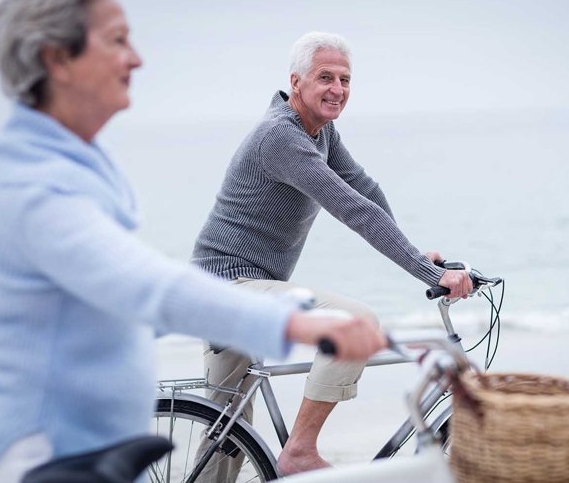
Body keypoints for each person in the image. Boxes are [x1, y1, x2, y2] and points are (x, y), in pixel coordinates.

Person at [0, 0, 386, 482]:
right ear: (56, 59)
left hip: (89, 453)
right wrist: (294, 323)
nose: (137, 58)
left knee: (223, 446)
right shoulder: (37, 185)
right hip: (42, 463)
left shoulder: (76, 165)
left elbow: (109, 311)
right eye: (117, 40)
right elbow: (149, 287)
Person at [191, 31, 472, 477]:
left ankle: (283, 453)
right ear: (295, 82)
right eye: (325, 77)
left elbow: (364, 190)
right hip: (228, 286)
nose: (337, 89)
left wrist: (418, 256)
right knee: (354, 322)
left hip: (236, 288)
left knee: (225, 442)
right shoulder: (280, 137)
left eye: (345, 79)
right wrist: (423, 272)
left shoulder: (320, 131)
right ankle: (300, 450)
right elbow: (352, 209)